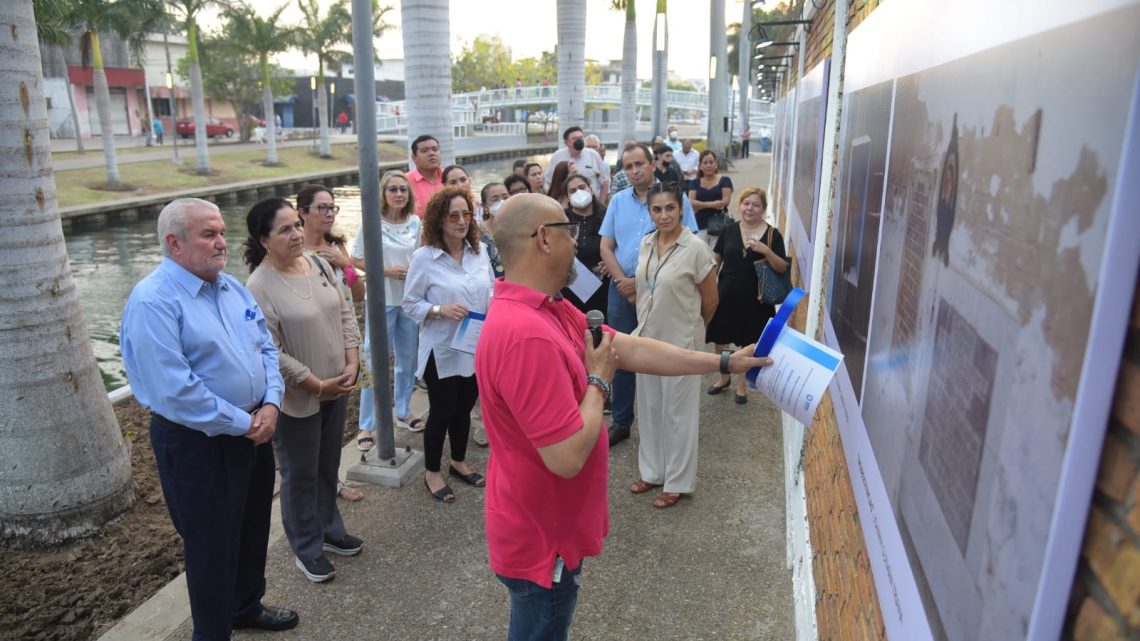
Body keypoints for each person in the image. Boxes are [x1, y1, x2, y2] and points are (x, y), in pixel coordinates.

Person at [475, 193, 771, 641]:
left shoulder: (547, 308)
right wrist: (599, 382)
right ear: (543, 240)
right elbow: (567, 456)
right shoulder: (526, 336)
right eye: (568, 232)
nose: (578, 242)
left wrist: (723, 362)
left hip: (545, 529)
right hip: (542, 541)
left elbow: (626, 346)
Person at [120, 198, 298, 640]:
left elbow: (264, 349)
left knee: (254, 526)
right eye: (208, 234)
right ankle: (213, 633)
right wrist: (245, 422)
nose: (221, 242)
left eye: (221, 232)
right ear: (174, 243)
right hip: (198, 443)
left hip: (254, 429)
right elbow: (175, 391)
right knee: (211, 546)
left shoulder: (230, 287)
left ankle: (245, 607)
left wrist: (272, 403)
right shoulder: (153, 302)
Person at [243, 198, 363, 584]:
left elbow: (344, 312)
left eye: (297, 225)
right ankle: (306, 546)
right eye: (285, 229)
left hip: (337, 385)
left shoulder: (318, 263)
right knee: (299, 473)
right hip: (299, 397)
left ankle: (330, 528)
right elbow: (270, 352)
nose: (297, 234)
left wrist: (351, 361)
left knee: (328, 464)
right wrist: (316, 383)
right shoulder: (258, 286)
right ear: (263, 239)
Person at [599, 142, 698, 447]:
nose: (634, 171)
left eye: (639, 164)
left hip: (660, 292)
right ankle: (622, 421)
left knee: (663, 353)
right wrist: (622, 282)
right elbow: (607, 246)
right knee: (619, 355)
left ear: (652, 164)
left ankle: (667, 423)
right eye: (627, 167)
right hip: (621, 290)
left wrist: (640, 285)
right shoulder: (617, 201)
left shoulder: (673, 198)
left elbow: (688, 241)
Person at [403, 186, 494, 503]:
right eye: (453, 215)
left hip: (474, 344)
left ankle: (457, 461)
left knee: (464, 408)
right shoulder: (424, 258)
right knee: (441, 412)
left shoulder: (478, 251)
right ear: (439, 220)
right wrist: (440, 310)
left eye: (466, 214)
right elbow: (410, 304)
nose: (461, 221)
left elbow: (491, 290)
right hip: (440, 349)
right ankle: (431, 471)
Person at [629, 183, 718, 508]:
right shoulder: (646, 243)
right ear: (649, 212)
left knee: (678, 414)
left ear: (681, 209)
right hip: (646, 340)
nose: (663, 215)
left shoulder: (695, 248)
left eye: (670, 208)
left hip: (681, 344)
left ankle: (677, 481)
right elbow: (644, 288)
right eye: (657, 209)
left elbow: (710, 300)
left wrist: (691, 331)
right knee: (650, 408)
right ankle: (652, 472)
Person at [352, 171, 424, 445]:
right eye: (392, 189)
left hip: (408, 300)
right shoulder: (371, 223)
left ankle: (403, 411)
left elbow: (420, 257)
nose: (398, 194)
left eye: (403, 190)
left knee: (407, 360)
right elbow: (356, 258)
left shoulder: (415, 223)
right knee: (374, 360)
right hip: (381, 301)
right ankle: (367, 424)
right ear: (383, 193)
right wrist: (385, 271)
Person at [706, 187, 786, 404]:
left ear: (763, 209)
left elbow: (782, 268)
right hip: (727, 294)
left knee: (750, 342)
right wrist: (709, 286)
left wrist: (766, 251)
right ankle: (724, 377)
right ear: (740, 205)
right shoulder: (728, 230)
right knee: (721, 338)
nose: (750, 208)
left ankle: (742, 384)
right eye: (746, 203)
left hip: (756, 300)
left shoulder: (772, 235)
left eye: (756, 205)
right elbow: (716, 260)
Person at [562, 173, 609, 314]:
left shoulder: (606, 216)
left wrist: (610, 263)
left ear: (590, 189)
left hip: (603, 288)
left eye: (582, 187)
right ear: (568, 197)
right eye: (572, 191)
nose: (578, 192)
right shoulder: (561, 218)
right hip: (570, 288)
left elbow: (618, 245)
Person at [545, 126, 610, 203]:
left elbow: (605, 181)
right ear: (566, 142)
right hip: (566, 205)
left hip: (591, 204)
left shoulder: (593, 155)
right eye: (575, 139)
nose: (579, 140)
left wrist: (601, 203)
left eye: (581, 137)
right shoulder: (557, 157)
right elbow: (548, 182)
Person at [688, 149, 734, 243]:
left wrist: (700, 205)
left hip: (719, 224)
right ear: (700, 166)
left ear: (715, 164)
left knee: (716, 256)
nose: (708, 165)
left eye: (711, 162)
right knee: (700, 254)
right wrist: (713, 204)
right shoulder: (695, 183)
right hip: (699, 224)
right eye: (705, 163)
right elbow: (691, 203)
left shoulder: (725, 180)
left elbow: (725, 202)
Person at [407, 135, 443, 217]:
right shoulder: (405, 182)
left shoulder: (451, 177)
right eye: (424, 151)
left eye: (435, 149)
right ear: (414, 158)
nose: (431, 153)